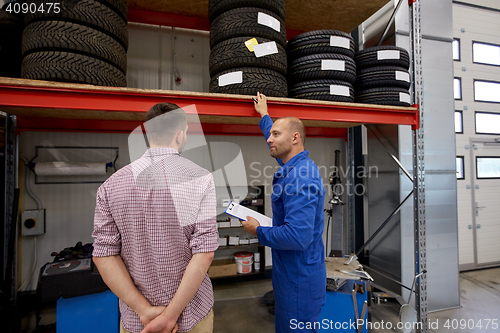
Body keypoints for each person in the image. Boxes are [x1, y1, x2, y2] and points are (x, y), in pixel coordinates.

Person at [92, 102, 218, 333]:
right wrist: (170, 316)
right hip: (191, 315)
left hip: (140, 321)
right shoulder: (201, 179)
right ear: (180, 135)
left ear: (147, 134)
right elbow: (205, 254)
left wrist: (144, 310)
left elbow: (103, 255)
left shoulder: (110, 186)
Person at [241, 92, 327, 333]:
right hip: (291, 275)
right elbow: (278, 143)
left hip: (299, 281)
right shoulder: (294, 166)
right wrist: (265, 116)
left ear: (295, 138)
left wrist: (258, 230)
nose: (270, 139)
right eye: (271, 134)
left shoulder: (301, 178)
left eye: (275, 135)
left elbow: (297, 238)